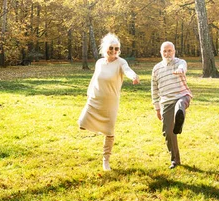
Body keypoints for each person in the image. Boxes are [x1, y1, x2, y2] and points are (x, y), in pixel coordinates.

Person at [78, 33, 140, 171]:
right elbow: (94, 79)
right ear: (105, 48)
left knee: (109, 131)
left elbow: (128, 70)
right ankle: (98, 127)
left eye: (116, 49)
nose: (113, 51)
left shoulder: (121, 62)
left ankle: (106, 160)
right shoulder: (99, 62)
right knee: (82, 123)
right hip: (95, 99)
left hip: (111, 102)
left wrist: (134, 76)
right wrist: (89, 94)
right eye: (111, 48)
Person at [151, 41, 192, 169]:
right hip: (166, 102)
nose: (167, 53)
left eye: (170, 51)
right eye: (165, 51)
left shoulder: (180, 62)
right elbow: (154, 89)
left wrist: (180, 70)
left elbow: (183, 67)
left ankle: (179, 117)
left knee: (180, 105)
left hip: (182, 96)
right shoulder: (156, 69)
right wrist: (157, 108)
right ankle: (175, 160)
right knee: (168, 132)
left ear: (174, 51)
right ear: (161, 52)